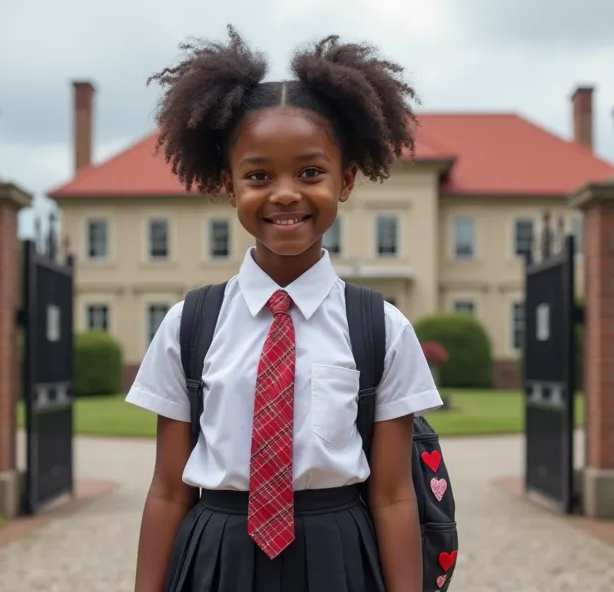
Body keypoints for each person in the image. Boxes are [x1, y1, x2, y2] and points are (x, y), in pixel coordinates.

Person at [127, 25, 443, 592]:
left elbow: (395, 496)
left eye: (310, 172)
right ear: (228, 185)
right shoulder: (189, 327)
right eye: (257, 176)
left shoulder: (381, 329)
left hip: (340, 555)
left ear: (345, 181)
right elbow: (169, 490)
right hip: (215, 555)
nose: (285, 193)